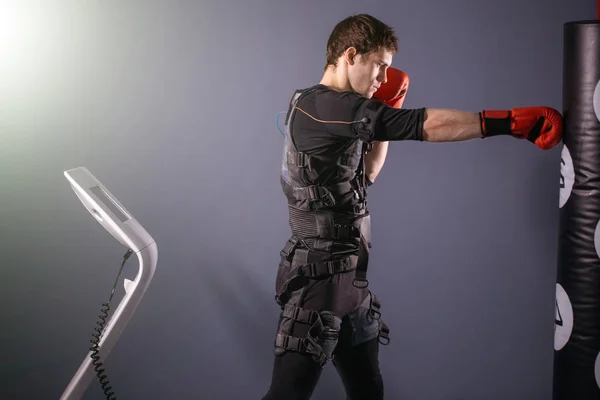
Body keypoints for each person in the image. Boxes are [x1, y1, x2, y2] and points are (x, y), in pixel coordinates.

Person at [262, 14, 563, 400]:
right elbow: (423, 126)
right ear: (351, 55)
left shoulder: (333, 110)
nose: (383, 79)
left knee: (368, 391)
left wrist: (384, 111)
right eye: (380, 67)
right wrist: (507, 123)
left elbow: (366, 174)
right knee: (286, 395)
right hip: (316, 287)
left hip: (351, 286)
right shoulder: (327, 106)